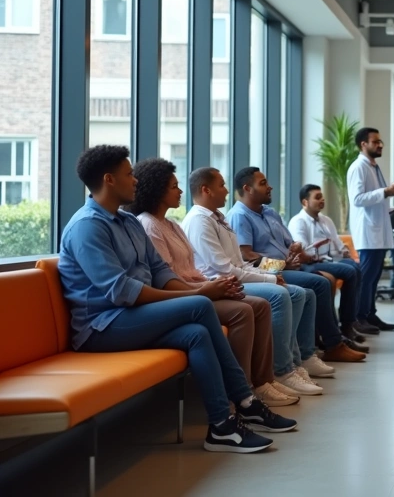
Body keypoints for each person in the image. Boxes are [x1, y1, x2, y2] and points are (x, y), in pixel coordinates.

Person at [58, 145, 295, 454]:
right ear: (109, 180)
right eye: (129, 174)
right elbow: (121, 292)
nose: (136, 180)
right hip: (102, 326)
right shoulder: (87, 227)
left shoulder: (128, 222)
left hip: (133, 316)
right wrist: (199, 293)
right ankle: (247, 401)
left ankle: (222, 426)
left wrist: (197, 291)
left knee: (195, 334)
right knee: (199, 306)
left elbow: (158, 272)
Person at [128, 158, 298, 407]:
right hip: (186, 294)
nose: (181, 191)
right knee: (245, 310)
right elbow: (166, 278)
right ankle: (243, 391)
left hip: (199, 288)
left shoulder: (173, 224)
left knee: (260, 305)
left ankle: (264, 381)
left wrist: (213, 287)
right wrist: (208, 289)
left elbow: (197, 268)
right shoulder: (150, 225)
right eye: (174, 186)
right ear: (157, 189)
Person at [182, 167, 324, 397]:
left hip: (261, 270)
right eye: (221, 185)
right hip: (226, 281)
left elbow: (245, 260)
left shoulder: (258, 214)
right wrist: (273, 274)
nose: (227, 190)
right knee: (301, 288)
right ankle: (283, 369)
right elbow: (236, 263)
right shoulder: (220, 218)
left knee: (302, 291)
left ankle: (298, 361)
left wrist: (289, 258)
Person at [227, 167, 365, 363]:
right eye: (263, 183)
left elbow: (290, 243)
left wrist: (296, 248)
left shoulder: (269, 213)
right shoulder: (239, 216)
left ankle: (319, 346)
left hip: (289, 266)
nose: (270, 186)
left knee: (328, 280)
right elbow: (246, 255)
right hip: (266, 273)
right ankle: (333, 344)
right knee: (320, 283)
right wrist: (280, 265)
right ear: (248, 189)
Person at [289, 183, 372, 353]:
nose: (322, 200)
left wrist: (345, 253)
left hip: (329, 260)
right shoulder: (298, 222)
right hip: (310, 263)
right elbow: (303, 252)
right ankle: (343, 326)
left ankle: (348, 323)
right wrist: (318, 255)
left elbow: (337, 245)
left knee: (355, 267)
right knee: (348, 271)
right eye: (317, 197)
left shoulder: (326, 220)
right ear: (305, 202)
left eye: (322, 197)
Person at [345, 126, 394, 331]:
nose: (380, 145)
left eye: (381, 141)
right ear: (363, 144)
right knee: (367, 278)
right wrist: (386, 191)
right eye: (375, 142)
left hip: (379, 229)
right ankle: (359, 318)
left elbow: (376, 196)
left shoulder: (374, 166)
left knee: (374, 277)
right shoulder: (358, 167)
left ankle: (371, 315)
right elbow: (357, 199)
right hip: (368, 232)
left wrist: (388, 203)